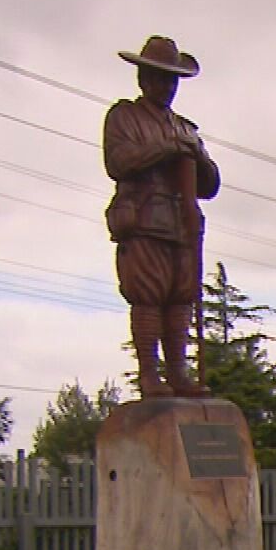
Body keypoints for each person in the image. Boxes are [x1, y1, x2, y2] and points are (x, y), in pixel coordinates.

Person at [104, 35, 220, 398]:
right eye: (157, 77)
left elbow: (210, 184)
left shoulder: (186, 128)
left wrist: (197, 156)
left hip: (182, 226)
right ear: (142, 79)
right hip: (143, 222)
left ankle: (177, 373)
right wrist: (167, 149)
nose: (165, 86)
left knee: (180, 298)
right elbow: (118, 162)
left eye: (171, 80)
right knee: (148, 296)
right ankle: (150, 375)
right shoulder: (124, 117)